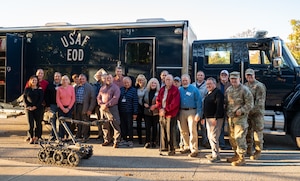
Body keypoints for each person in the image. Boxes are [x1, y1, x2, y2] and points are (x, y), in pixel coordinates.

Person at [225, 71, 253, 166]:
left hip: (240, 119)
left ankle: (242, 158)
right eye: (232, 79)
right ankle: (236, 155)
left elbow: (250, 104)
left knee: (239, 137)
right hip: (231, 118)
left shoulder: (245, 90)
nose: (233, 80)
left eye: (235, 79)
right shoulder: (229, 90)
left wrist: (241, 110)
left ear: (239, 79)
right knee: (232, 138)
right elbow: (226, 103)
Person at [244, 68, 266, 160]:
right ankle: (249, 150)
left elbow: (259, 103)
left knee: (257, 133)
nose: (249, 77)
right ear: (245, 76)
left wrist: (249, 110)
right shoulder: (245, 86)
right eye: (247, 75)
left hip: (257, 114)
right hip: (247, 113)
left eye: (251, 75)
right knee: (248, 132)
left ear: (254, 75)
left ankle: (258, 151)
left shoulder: (259, 86)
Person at [178, 74, 202, 157]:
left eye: (186, 80)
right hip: (181, 111)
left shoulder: (194, 89)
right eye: (183, 80)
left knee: (192, 130)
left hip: (192, 111)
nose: (184, 82)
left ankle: (194, 149)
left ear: (189, 80)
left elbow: (199, 102)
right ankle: (186, 146)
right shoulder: (179, 90)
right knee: (183, 130)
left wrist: (199, 113)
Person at [156, 74, 180, 156]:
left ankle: (171, 149)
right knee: (162, 130)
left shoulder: (175, 90)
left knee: (170, 131)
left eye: (170, 80)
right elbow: (158, 100)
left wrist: (166, 109)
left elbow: (175, 103)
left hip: (170, 113)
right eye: (166, 80)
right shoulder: (162, 89)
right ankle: (164, 147)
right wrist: (160, 109)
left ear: (172, 81)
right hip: (162, 113)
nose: (168, 81)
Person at [97, 74, 121, 148]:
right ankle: (107, 140)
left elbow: (115, 98)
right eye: (107, 78)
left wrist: (106, 105)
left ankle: (116, 141)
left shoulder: (116, 88)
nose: (108, 79)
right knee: (105, 125)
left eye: (110, 78)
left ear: (112, 79)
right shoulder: (102, 88)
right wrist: (101, 105)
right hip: (103, 109)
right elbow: (98, 97)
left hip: (112, 108)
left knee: (115, 124)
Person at [203, 77, 224, 163]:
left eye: (210, 84)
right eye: (207, 84)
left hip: (215, 119)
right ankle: (214, 153)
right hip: (208, 118)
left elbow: (219, 106)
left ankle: (216, 156)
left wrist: (216, 118)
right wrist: (203, 117)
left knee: (214, 137)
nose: (208, 86)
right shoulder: (208, 93)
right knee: (210, 137)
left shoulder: (218, 93)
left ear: (215, 84)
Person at [74, 74, 96, 143]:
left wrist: (90, 109)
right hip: (77, 106)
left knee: (85, 122)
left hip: (85, 107)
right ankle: (78, 135)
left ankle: (85, 136)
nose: (81, 80)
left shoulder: (90, 87)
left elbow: (93, 99)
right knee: (78, 121)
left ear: (86, 79)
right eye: (80, 79)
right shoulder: (76, 87)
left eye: (83, 79)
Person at [23, 75, 44, 144]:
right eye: (33, 80)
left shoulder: (40, 90)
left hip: (38, 109)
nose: (34, 81)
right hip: (29, 109)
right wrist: (28, 106)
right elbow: (24, 99)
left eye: (35, 80)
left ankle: (37, 137)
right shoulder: (27, 89)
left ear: (37, 81)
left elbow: (41, 100)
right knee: (30, 124)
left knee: (38, 123)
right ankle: (31, 137)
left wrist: (35, 106)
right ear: (30, 81)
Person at [118, 77, 138, 147]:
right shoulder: (121, 90)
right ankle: (124, 139)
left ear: (130, 83)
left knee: (129, 126)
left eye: (128, 82)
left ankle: (130, 140)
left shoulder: (134, 90)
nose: (126, 84)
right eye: (125, 83)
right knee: (123, 126)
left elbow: (135, 102)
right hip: (122, 111)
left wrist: (135, 113)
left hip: (130, 112)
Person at [192, 70, 209, 148]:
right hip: (194, 108)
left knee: (203, 126)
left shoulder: (207, 85)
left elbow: (207, 96)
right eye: (198, 75)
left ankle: (205, 141)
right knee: (194, 126)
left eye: (201, 75)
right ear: (196, 76)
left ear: (204, 76)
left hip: (203, 108)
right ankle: (195, 142)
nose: (200, 77)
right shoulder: (192, 85)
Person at [56, 75, 75, 141]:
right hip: (61, 108)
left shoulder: (71, 88)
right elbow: (58, 99)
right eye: (63, 80)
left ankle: (67, 136)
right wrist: (63, 108)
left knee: (68, 122)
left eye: (66, 79)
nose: (65, 81)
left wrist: (69, 108)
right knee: (61, 123)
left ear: (68, 81)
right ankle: (61, 137)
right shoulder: (59, 89)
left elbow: (73, 99)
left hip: (69, 108)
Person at [216, 69, 232, 150]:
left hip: (230, 108)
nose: (223, 76)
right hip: (220, 108)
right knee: (220, 126)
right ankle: (221, 144)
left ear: (228, 76)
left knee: (231, 126)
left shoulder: (231, 85)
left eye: (225, 75)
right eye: (222, 75)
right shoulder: (216, 85)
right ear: (220, 76)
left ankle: (233, 144)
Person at [143, 78, 160, 148]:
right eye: (152, 83)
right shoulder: (146, 91)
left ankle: (154, 142)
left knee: (155, 128)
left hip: (155, 112)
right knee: (147, 128)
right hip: (147, 112)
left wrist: (155, 106)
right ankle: (147, 142)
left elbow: (160, 101)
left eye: (155, 83)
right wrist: (144, 104)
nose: (153, 84)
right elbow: (143, 100)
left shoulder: (159, 92)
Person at [44, 72, 62, 140]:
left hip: (61, 106)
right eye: (56, 76)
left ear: (60, 77)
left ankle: (60, 135)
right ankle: (53, 135)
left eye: (58, 76)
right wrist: (48, 106)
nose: (57, 78)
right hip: (52, 105)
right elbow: (47, 96)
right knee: (53, 120)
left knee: (61, 120)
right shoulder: (50, 85)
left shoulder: (63, 85)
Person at [93, 69, 107, 141]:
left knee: (106, 121)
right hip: (98, 105)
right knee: (99, 120)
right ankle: (100, 134)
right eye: (98, 76)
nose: (99, 77)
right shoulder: (96, 84)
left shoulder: (107, 84)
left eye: (101, 75)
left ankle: (107, 136)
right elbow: (96, 95)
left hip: (106, 105)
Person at [135, 74, 148, 144]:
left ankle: (147, 139)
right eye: (139, 80)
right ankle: (139, 139)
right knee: (138, 124)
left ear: (144, 81)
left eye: (142, 80)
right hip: (138, 108)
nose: (141, 82)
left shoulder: (147, 88)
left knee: (146, 124)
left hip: (145, 107)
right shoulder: (136, 89)